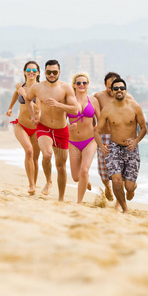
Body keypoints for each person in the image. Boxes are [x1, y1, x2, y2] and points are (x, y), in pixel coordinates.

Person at [25, 59, 79, 201]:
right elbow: (27, 99)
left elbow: (76, 109)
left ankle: (60, 198)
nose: (52, 74)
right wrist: (32, 116)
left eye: (55, 72)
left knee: (61, 167)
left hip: (61, 131)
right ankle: (48, 181)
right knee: (47, 155)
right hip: (44, 128)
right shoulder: (38, 88)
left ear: (59, 72)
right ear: (45, 72)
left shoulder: (66, 88)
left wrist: (59, 105)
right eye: (49, 72)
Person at [95, 78, 147, 213]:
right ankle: (124, 209)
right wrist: (101, 145)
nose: (119, 90)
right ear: (111, 92)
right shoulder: (107, 109)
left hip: (131, 148)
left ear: (125, 90)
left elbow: (143, 128)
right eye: (116, 88)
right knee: (116, 181)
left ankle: (131, 188)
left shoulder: (135, 106)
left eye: (122, 88)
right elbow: (97, 131)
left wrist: (136, 141)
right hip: (114, 147)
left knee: (129, 187)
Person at [94, 72, 134, 201]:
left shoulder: (128, 98)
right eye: (110, 86)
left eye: (115, 86)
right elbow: (91, 112)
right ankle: (107, 187)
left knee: (120, 171)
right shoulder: (99, 96)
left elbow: (136, 116)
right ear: (105, 85)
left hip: (120, 137)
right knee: (104, 171)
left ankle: (120, 200)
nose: (113, 90)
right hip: (104, 136)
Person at [6, 61, 41, 195]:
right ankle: (31, 184)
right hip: (21, 125)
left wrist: (25, 95)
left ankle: (34, 185)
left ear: (38, 72)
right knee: (29, 151)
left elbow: (37, 109)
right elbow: (16, 93)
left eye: (34, 70)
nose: (31, 72)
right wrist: (10, 107)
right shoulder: (19, 86)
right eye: (28, 69)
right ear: (24, 71)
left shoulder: (40, 89)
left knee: (36, 159)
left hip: (36, 127)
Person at [67, 73, 100, 203]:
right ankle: (85, 180)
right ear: (74, 85)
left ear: (88, 85)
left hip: (90, 140)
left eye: (84, 83)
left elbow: (101, 118)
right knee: (76, 177)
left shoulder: (93, 101)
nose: (81, 85)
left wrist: (98, 126)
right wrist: (68, 127)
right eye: (79, 83)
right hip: (73, 142)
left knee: (84, 170)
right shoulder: (68, 101)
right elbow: (61, 121)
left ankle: (79, 202)